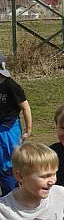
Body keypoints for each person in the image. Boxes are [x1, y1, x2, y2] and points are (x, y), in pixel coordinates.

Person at [0, 53, 33, 196]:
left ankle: (13, 196)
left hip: (9, 129)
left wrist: (28, 130)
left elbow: (25, 107)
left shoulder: (11, 86)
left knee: (10, 164)